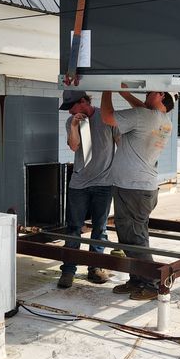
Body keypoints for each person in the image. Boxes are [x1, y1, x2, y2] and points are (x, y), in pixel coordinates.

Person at [100, 90, 177, 301]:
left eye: (149, 92)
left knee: (134, 238)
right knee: (133, 237)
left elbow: (107, 117)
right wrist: (123, 92)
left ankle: (152, 283)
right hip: (141, 187)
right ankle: (138, 279)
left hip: (132, 188)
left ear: (161, 95)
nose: (145, 93)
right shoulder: (163, 120)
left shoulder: (145, 116)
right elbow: (142, 109)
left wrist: (107, 89)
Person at [58, 89, 114, 289]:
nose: (69, 112)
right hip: (79, 183)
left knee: (100, 228)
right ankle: (68, 270)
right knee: (74, 227)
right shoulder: (72, 121)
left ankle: (96, 267)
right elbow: (74, 147)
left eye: (71, 107)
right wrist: (74, 126)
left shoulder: (105, 117)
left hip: (104, 182)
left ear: (83, 102)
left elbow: (120, 143)